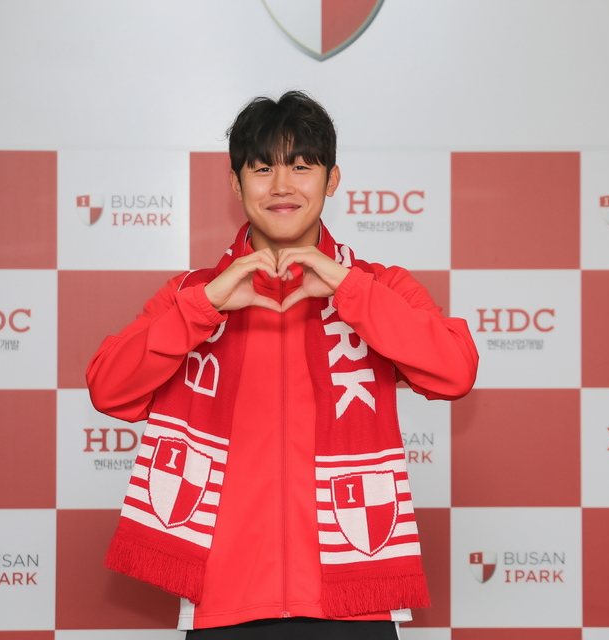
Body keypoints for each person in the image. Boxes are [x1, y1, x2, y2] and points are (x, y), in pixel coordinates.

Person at [86, 91, 478, 638]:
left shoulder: (376, 286)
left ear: (332, 179)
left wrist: (349, 291)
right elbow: (108, 388)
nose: (282, 186)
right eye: (263, 168)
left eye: (301, 166)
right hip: (225, 603)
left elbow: (456, 371)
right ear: (236, 184)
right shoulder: (193, 294)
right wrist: (203, 308)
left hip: (352, 600)